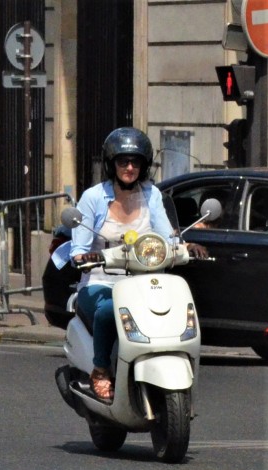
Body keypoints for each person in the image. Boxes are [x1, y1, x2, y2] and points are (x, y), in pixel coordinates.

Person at [55, 127, 176, 401]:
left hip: (143, 283)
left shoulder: (152, 195)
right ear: (112, 164)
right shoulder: (94, 197)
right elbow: (80, 246)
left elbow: (167, 236)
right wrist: (83, 257)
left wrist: (184, 247)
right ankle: (100, 369)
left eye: (136, 162)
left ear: (144, 166)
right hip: (99, 282)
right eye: (123, 161)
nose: (130, 168)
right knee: (110, 310)